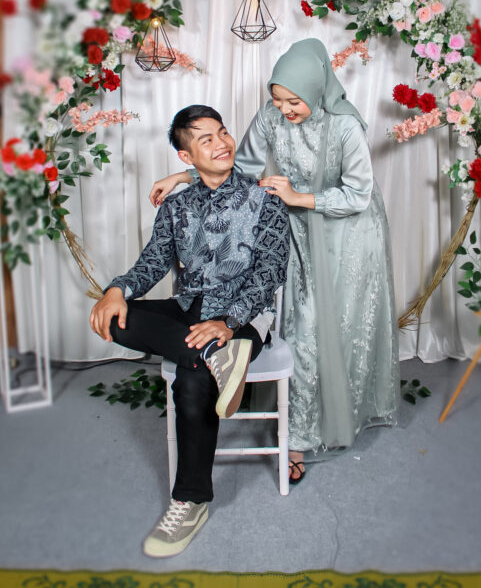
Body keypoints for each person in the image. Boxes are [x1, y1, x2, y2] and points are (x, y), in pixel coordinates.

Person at [150, 39, 399, 484]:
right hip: (298, 230)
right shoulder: (270, 116)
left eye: (293, 101)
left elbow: (359, 194)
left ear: (316, 89)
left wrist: (298, 196)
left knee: (337, 328)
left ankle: (327, 422)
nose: (284, 109)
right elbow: (241, 164)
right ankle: (297, 432)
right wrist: (184, 175)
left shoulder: (345, 126)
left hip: (349, 236)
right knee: (302, 328)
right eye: (278, 99)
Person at [90, 104, 289, 558]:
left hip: (243, 319)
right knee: (115, 316)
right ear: (186, 157)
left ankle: (190, 502)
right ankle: (209, 354)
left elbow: (269, 273)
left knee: (193, 381)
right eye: (206, 139)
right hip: (188, 309)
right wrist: (117, 289)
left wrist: (228, 322)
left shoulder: (265, 200)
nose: (221, 143)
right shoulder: (177, 206)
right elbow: (153, 262)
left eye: (222, 132)